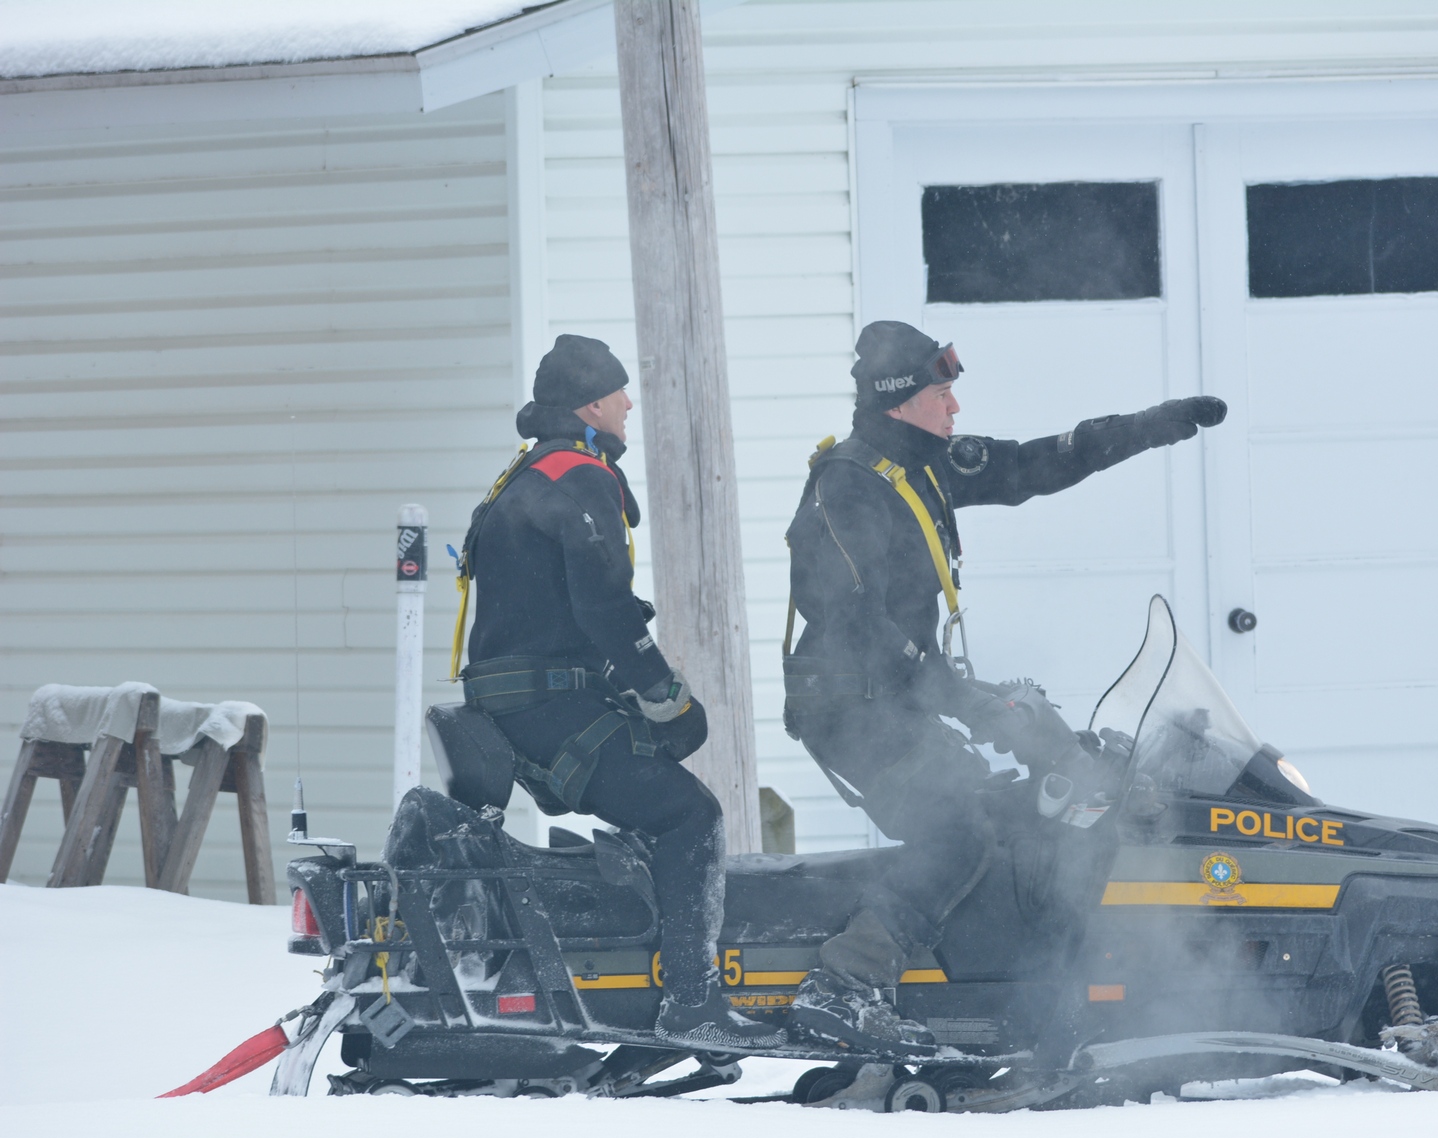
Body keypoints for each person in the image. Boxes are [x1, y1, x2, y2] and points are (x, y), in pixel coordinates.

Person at [782, 320, 1226, 1053]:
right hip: (846, 708)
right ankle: (844, 985)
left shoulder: (924, 462)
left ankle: (1021, 996)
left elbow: (1037, 465)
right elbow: (859, 630)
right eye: (943, 391)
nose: (955, 407)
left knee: (1014, 813)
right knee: (955, 829)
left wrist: (1153, 426)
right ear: (901, 400)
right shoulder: (847, 490)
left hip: (897, 693)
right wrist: (970, 700)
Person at [459, 333, 784, 1051]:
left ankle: (646, 979)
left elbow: (555, 613)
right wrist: (669, 702)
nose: (630, 404)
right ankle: (691, 1002)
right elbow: (604, 609)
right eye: (620, 393)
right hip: (545, 707)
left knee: (656, 804)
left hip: (521, 700)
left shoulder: (528, 473)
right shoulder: (579, 476)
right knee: (690, 814)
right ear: (590, 403)